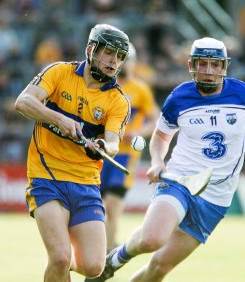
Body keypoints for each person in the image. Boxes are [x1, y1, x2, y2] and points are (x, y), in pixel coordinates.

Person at [87, 37, 245, 282]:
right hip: (179, 181)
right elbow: (160, 136)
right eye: (202, 64)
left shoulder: (244, 95)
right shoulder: (179, 98)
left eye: (215, 65)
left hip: (216, 198)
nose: (208, 71)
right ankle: (115, 259)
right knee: (152, 239)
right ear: (191, 65)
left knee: (159, 268)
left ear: (224, 67)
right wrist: (157, 161)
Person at [14, 23, 130, 281]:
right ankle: (59, 264)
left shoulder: (118, 101)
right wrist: (58, 119)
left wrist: (102, 147)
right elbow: (23, 102)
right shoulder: (59, 72)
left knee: (93, 267)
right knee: (60, 257)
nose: (114, 61)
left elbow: (112, 143)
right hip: (46, 176)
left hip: (86, 184)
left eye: (120, 57)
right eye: (109, 53)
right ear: (91, 49)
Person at [99, 42, 159, 252]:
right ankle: (102, 247)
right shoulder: (104, 86)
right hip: (102, 154)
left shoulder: (140, 89)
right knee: (95, 206)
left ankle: (106, 251)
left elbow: (155, 120)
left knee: (113, 205)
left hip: (126, 156)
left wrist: (138, 132)